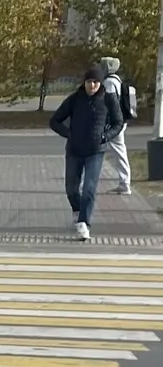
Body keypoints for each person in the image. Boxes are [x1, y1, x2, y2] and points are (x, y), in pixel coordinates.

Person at [50, 64, 122, 241]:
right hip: (74, 150)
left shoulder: (108, 99)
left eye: (96, 82)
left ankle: (84, 223)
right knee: (71, 189)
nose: (92, 85)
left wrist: (106, 136)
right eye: (89, 82)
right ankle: (77, 210)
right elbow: (55, 121)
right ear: (84, 83)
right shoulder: (75, 99)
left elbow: (118, 123)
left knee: (89, 188)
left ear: (101, 83)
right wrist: (69, 134)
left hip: (95, 151)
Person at [99, 57, 134, 196]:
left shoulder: (108, 83)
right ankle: (124, 183)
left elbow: (109, 103)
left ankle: (125, 184)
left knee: (118, 151)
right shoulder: (117, 80)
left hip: (113, 123)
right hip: (119, 121)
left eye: (102, 65)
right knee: (118, 150)